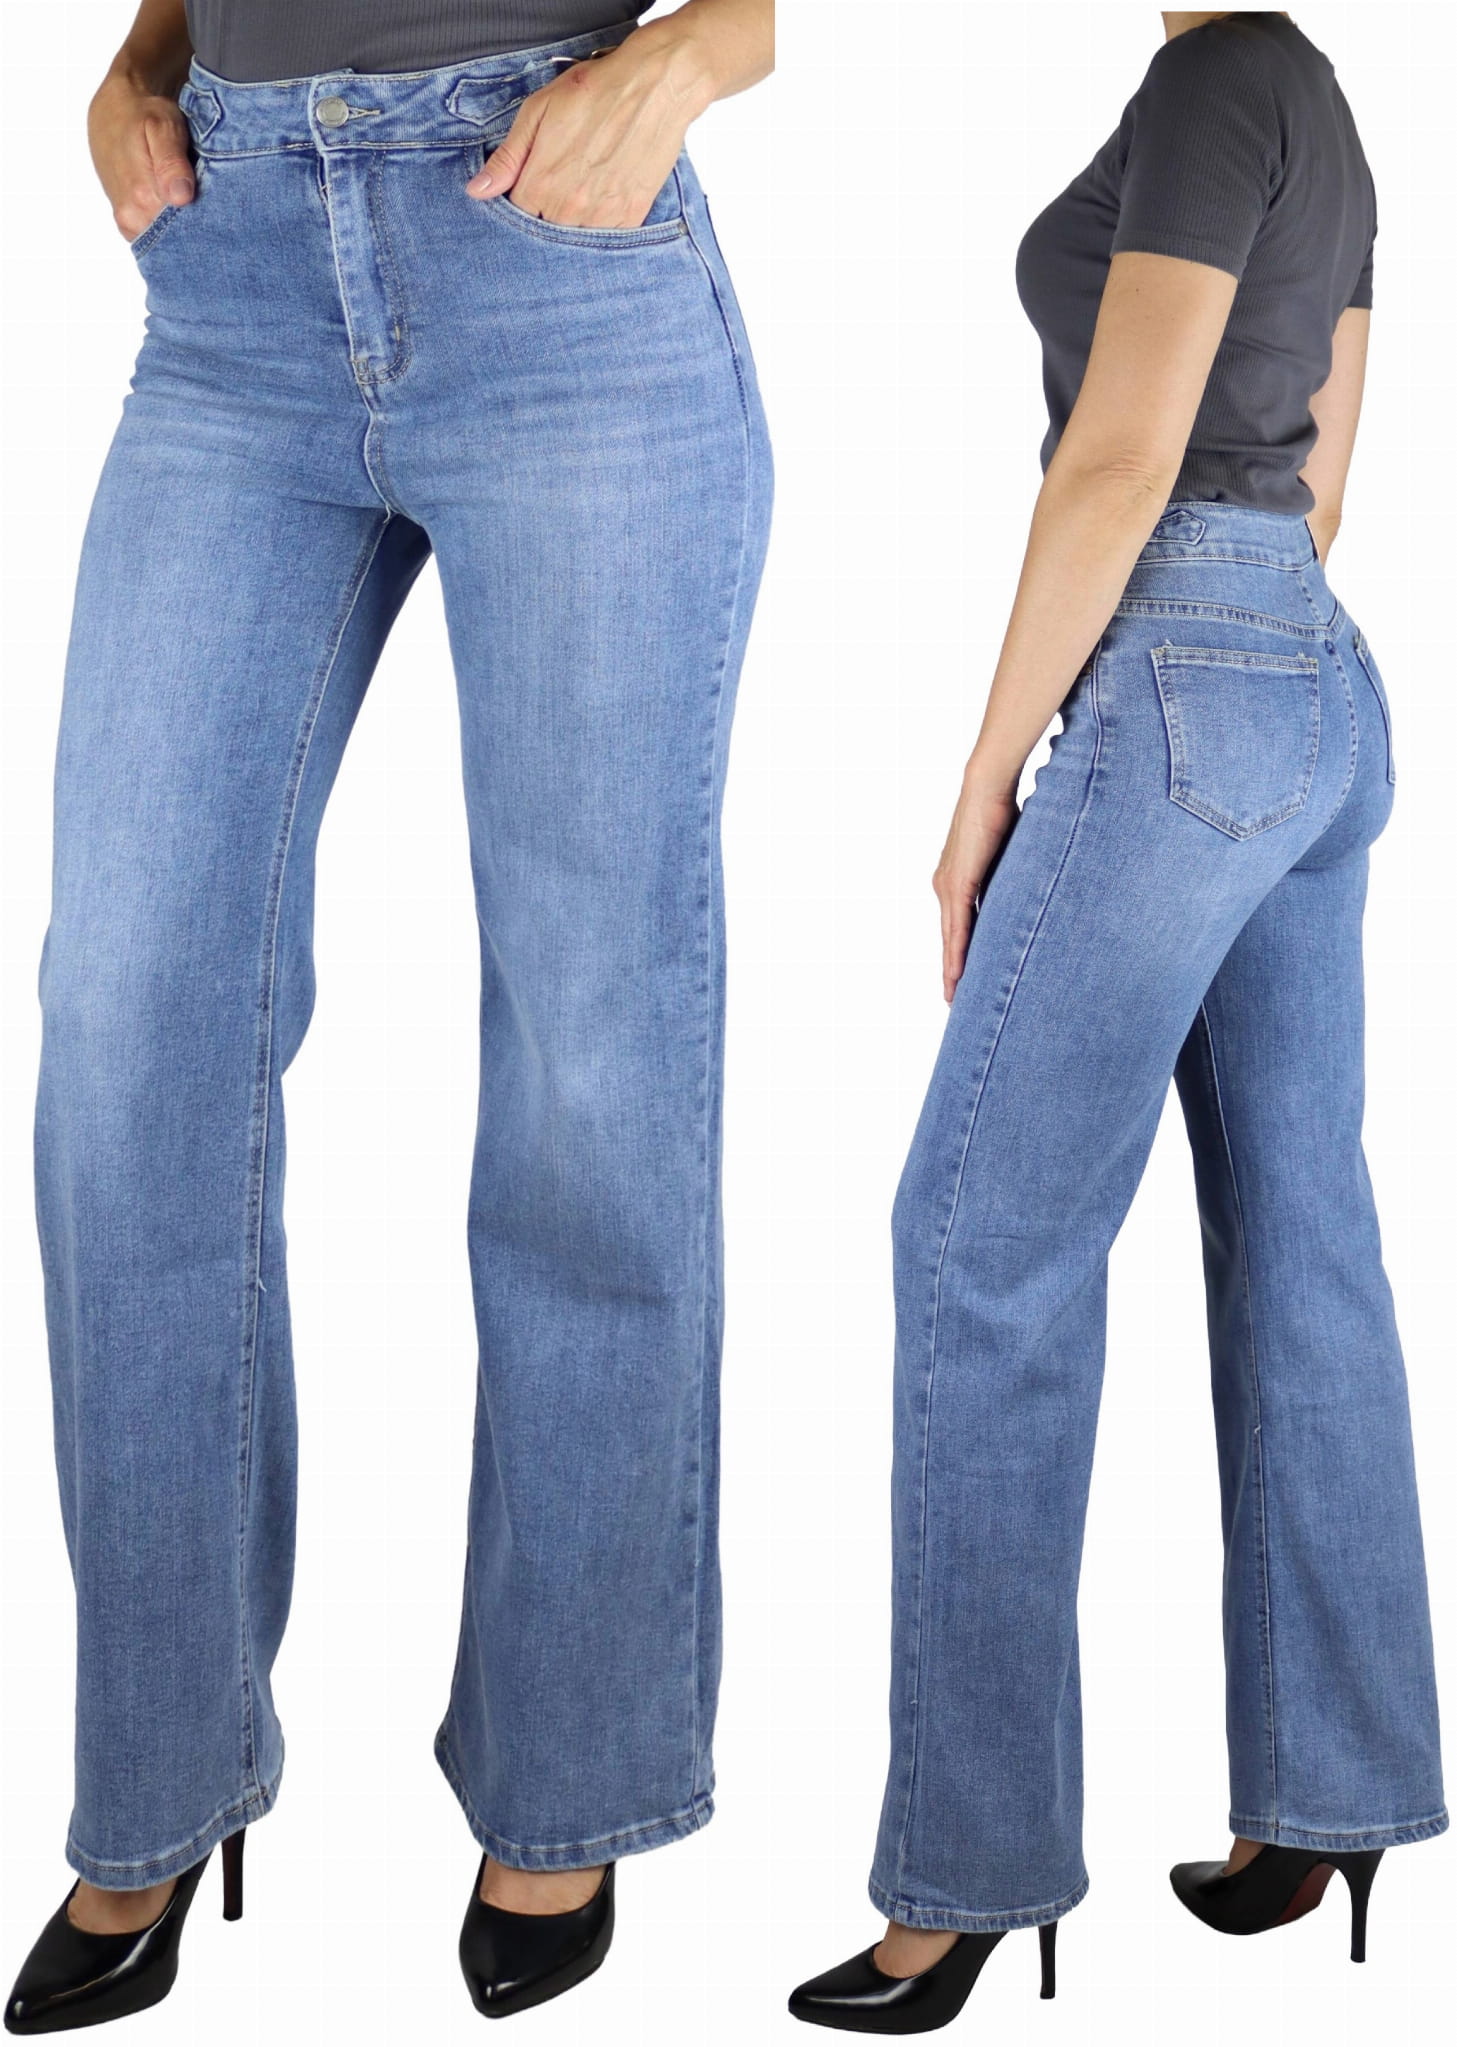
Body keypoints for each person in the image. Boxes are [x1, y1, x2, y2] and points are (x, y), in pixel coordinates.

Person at [3, 0, 772, 2030]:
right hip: (237, 279)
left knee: (592, 1062)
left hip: (559, 262)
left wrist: (701, 52)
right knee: (122, 1028)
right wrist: (140, 60)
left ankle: (571, 1767)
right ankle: (160, 1769)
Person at [789, 10, 1444, 2033]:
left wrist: (988, 775)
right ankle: (1330, 1796)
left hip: (1171, 675)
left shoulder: (1216, 72)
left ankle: (967, 1882)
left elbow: (1121, 454)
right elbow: (1317, 478)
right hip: (1311, 685)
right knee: (1304, 1241)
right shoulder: (1326, 101)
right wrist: (1237, 650)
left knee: (975, 1245)